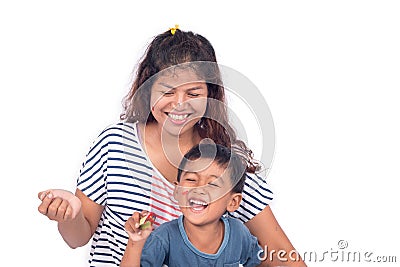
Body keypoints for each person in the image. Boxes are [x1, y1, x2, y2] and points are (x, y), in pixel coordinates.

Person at [37, 26, 306, 266]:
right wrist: (69, 215)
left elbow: (282, 254)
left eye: (193, 93)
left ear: (210, 94)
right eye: (167, 91)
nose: (179, 104)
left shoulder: (225, 161)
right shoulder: (114, 144)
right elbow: (77, 238)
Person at [120, 143, 263, 267]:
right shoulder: (165, 237)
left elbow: (260, 261)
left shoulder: (238, 233)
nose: (199, 188)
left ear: (233, 202)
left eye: (212, 184)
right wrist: (135, 242)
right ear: (177, 190)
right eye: (191, 179)